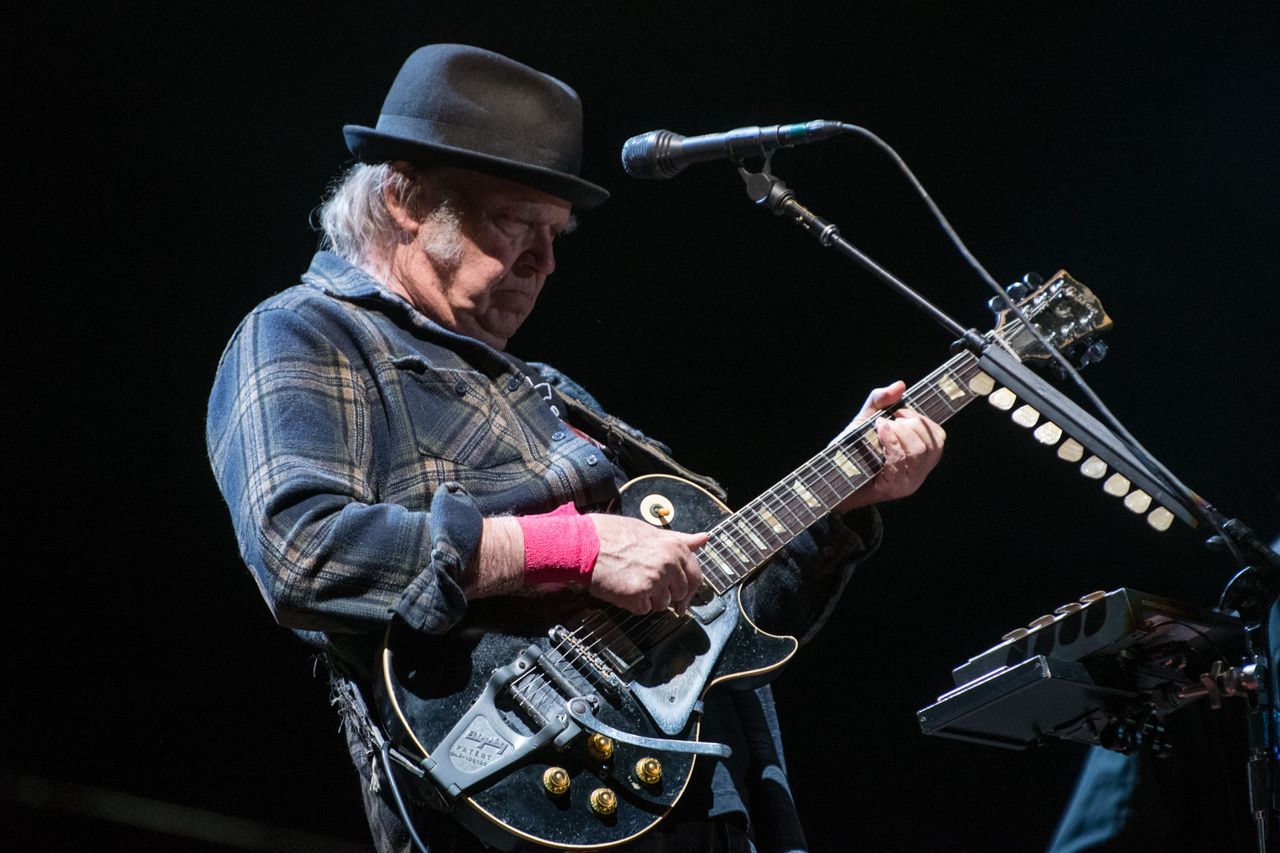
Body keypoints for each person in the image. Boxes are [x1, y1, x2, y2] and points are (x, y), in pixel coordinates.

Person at [206, 44, 945, 852]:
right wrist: (580, 545)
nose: (545, 262)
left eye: (555, 235)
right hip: (513, 787)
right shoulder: (307, 331)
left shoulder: (552, 394)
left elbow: (722, 613)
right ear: (407, 198)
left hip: (696, 791)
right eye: (516, 222)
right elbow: (302, 551)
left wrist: (846, 497)